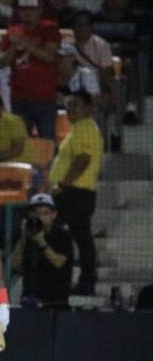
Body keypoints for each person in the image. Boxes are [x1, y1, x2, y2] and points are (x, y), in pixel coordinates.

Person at [50, 90, 103, 295]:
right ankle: (83, 282)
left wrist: (63, 184)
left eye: (76, 105)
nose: (70, 109)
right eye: (69, 105)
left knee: (69, 238)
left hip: (75, 194)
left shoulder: (85, 128)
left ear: (89, 108)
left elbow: (83, 159)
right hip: (77, 193)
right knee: (81, 238)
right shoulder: (80, 128)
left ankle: (79, 283)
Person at [0, 0, 60, 139]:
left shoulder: (50, 29)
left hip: (45, 97)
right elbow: (2, 61)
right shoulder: (12, 31)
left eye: (31, 9)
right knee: (21, 142)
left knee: (47, 141)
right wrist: (14, 46)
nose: (27, 13)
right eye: (23, 9)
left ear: (39, 10)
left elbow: (49, 56)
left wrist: (25, 45)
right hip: (20, 98)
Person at [10, 193, 73, 308]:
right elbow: (15, 265)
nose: (41, 218)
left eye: (46, 213)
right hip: (30, 301)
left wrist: (42, 242)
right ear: (30, 215)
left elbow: (58, 262)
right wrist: (23, 238)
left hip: (55, 303)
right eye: (36, 213)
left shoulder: (62, 235)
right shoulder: (25, 234)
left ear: (54, 215)